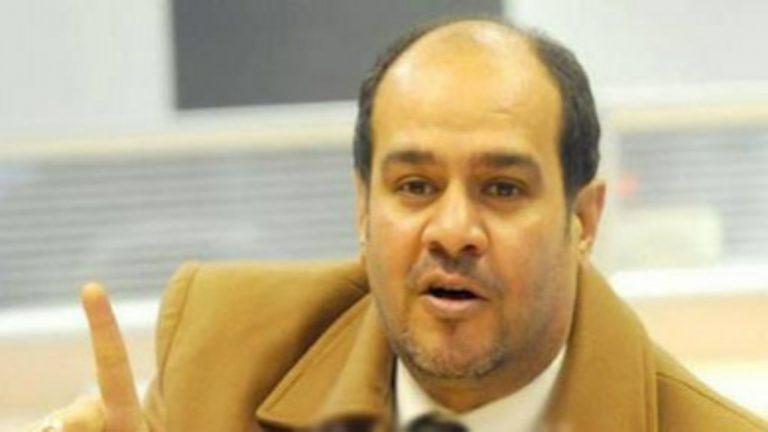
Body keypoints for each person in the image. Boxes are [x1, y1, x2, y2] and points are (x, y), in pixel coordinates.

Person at [29, 17, 768, 432]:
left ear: (583, 220)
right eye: (415, 186)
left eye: (502, 188)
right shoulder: (224, 352)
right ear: (363, 207)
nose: (453, 230)